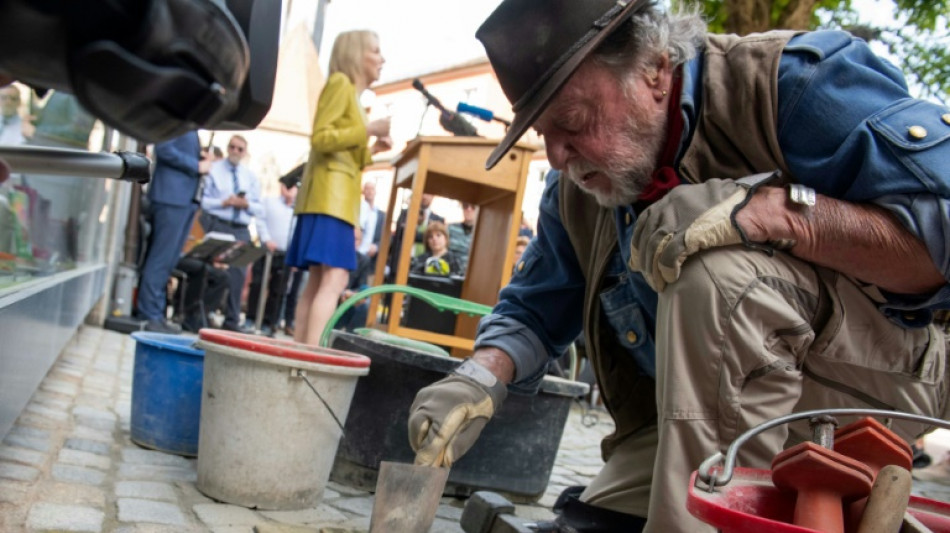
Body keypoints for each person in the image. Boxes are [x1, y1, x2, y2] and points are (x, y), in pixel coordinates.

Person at [406, 1, 950, 532]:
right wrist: (478, 379)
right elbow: (536, 306)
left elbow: (939, 233)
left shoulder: (789, 85)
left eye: (571, 121)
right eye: (541, 133)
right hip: (718, 413)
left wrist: (777, 213)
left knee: (716, 275)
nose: (556, 155)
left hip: (875, 393)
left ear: (655, 70)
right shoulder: (578, 188)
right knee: (595, 515)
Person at [286, 30, 392, 346]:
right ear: (355, 53)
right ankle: (312, 353)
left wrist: (373, 148)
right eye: (375, 50)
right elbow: (320, 137)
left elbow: (348, 154)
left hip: (332, 199)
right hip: (329, 200)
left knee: (319, 279)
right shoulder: (340, 85)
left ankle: (302, 350)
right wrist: (368, 128)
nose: (382, 58)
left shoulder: (352, 96)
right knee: (335, 278)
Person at [136, 131, 212, 333]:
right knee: (160, 260)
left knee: (168, 261)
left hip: (184, 200)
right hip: (171, 198)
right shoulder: (180, 117)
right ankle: (149, 314)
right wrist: (196, 165)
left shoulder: (191, 125)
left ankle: (156, 314)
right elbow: (164, 149)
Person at [199, 134, 263, 331]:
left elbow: (259, 208)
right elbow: (203, 201)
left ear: (245, 152)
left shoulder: (250, 177)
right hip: (218, 224)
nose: (235, 151)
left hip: (241, 229)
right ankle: (203, 313)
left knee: (238, 274)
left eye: (239, 149)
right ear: (228, 148)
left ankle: (232, 320)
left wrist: (245, 204)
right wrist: (224, 202)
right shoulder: (214, 170)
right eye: (232, 147)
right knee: (214, 272)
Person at [245, 172, 299, 336]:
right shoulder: (269, 202)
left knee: (279, 291)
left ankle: (270, 323)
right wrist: (266, 239)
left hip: (285, 255)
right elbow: (260, 220)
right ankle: (251, 318)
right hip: (266, 251)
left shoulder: (297, 210)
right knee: (258, 284)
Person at [357, 179, 386, 274]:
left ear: (375, 192)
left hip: (371, 262)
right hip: (355, 255)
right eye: (367, 189)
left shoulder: (382, 215)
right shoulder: (357, 210)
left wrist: (377, 246)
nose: (369, 191)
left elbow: (387, 238)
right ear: (363, 191)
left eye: (372, 189)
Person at [447, 201, 477, 272]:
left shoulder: (483, 233)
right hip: (451, 271)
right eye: (465, 205)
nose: (469, 209)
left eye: (473, 206)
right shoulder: (450, 228)